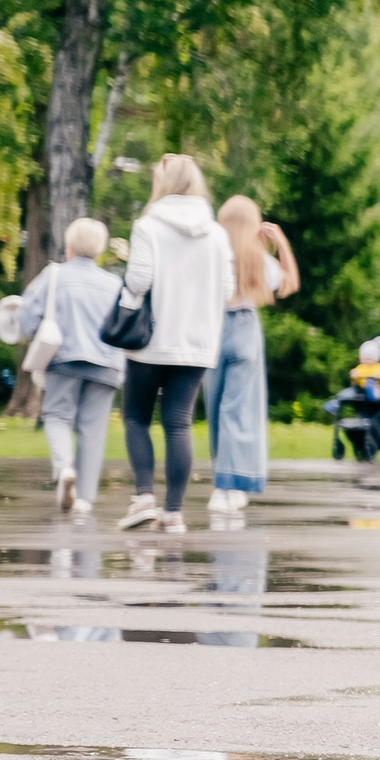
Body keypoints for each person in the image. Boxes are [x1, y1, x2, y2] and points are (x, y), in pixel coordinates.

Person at [115, 154, 236, 533]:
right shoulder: (217, 234)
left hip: (151, 340)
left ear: (162, 183)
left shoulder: (148, 226)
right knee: (178, 423)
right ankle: (174, 513)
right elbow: (227, 290)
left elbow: (139, 280)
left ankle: (144, 497)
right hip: (197, 343)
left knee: (136, 417)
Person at [16, 216, 125, 520]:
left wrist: (33, 332)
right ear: (99, 249)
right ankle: (85, 498)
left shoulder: (54, 277)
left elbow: (25, 318)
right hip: (107, 364)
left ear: (70, 246)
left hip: (63, 359)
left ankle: (64, 468)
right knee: (93, 428)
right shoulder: (113, 284)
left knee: (57, 416)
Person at [203, 197, 299, 515]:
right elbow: (289, 284)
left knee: (216, 408)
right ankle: (233, 486)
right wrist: (280, 242)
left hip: (213, 330)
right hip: (245, 329)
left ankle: (221, 487)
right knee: (238, 410)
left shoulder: (213, 254)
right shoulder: (258, 259)